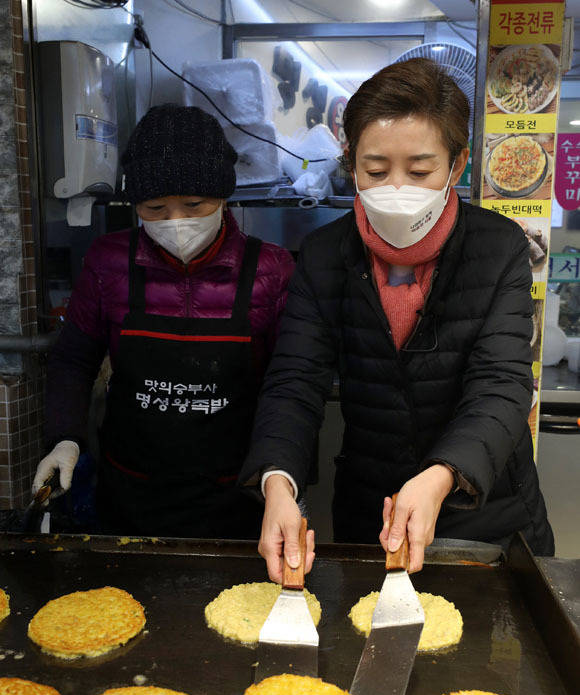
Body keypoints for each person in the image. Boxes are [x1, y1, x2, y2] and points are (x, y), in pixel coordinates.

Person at [239, 58, 554, 582]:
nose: (397, 188)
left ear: (457, 165)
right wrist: (278, 482)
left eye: (421, 170)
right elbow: (295, 380)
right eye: (376, 170)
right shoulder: (323, 254)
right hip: (372, 513)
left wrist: (440, 476)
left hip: (488, 514)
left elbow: (502, 384)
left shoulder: (498, 246)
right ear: (351, 163)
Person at [34, 104, 294, 539]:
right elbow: (73, 361)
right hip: (131, 493)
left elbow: (289, 385)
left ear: (223, 196)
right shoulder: (109, 261)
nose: (176, 223)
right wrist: (64, 439)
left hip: (238, 496)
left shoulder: (271, 268)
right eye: (155, 208)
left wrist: (281, 475)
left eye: (194, 205)